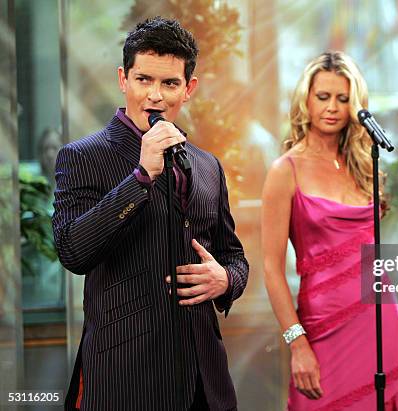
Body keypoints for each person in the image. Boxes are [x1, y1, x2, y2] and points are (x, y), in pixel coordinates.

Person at [52, 17, 248, 411]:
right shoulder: (82, 156)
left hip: (206, 383)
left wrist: (225, 279)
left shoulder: (208, 165)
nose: (155, 96)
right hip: (127, 379)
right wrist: (140, 177)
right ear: (123, 79)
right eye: (144, 80)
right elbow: (72, 251)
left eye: (169, 84)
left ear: (188, 89)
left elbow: (235, 257)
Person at [262, 51, 398, 410]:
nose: (332, 107)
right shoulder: (285, 170)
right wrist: (297, 342)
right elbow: (272, 269)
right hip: (321, 328)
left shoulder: (363, 164)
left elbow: (374, 261)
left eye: (343, 99)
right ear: (306, 100)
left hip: (378, 324)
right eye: (323, 97)